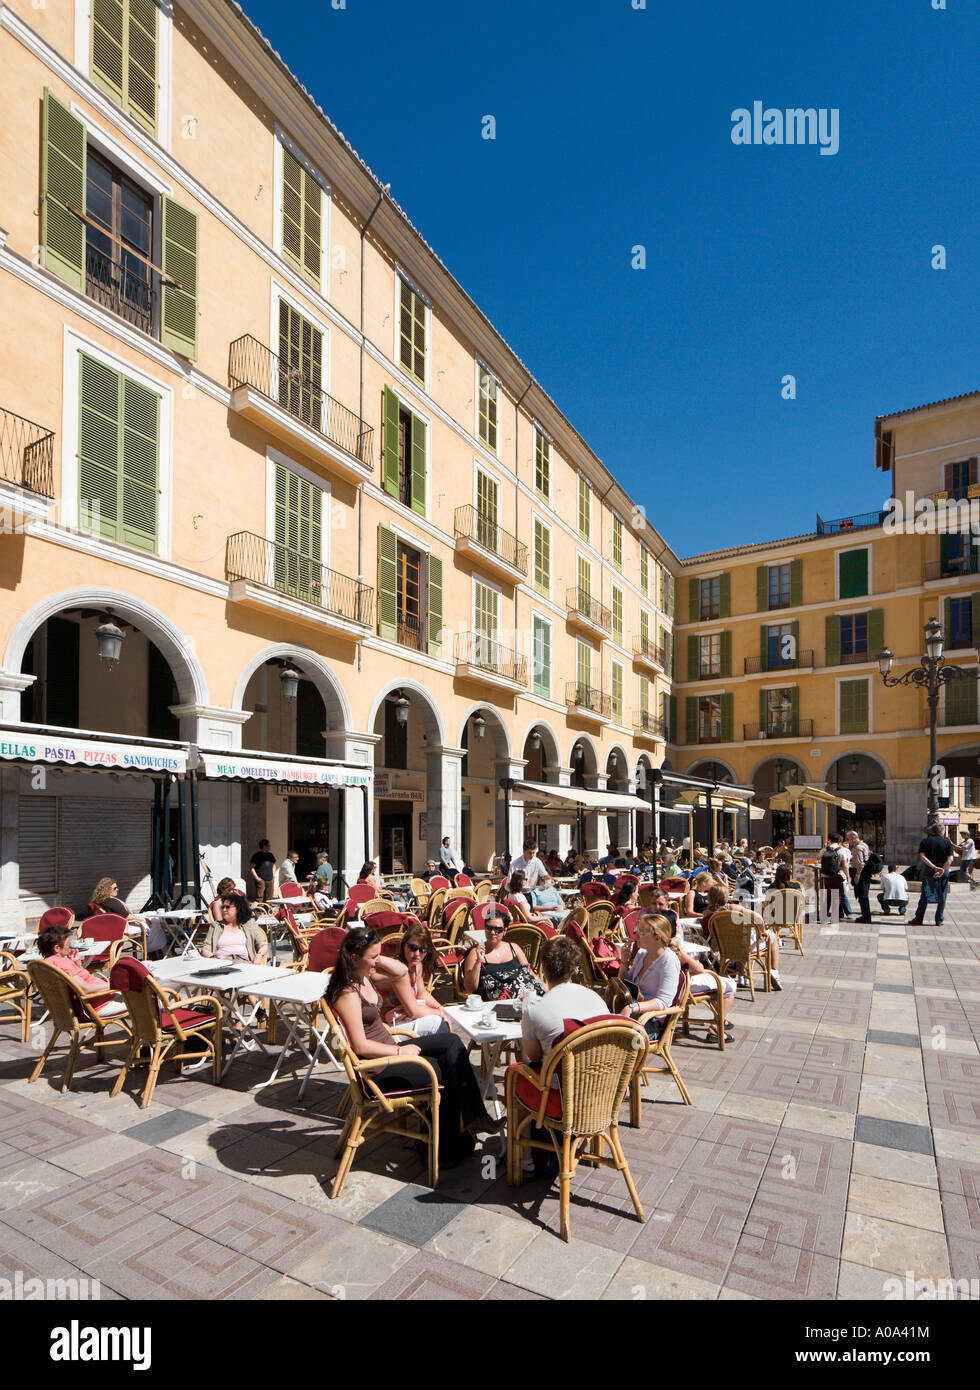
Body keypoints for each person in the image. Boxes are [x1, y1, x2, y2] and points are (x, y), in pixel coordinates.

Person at [326, 926, 501, 1160]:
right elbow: (360, 1047)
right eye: (373, 957)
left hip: (389, 1049)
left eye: (379, 956)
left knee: (451, 1043)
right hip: (379, 1068)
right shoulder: (348, 992)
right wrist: (400, 1050)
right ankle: (446, 1151)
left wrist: (375, 953)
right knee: (448, 1070)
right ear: (354, 958)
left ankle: (472, 1117)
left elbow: (400, 972)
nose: (378, 962)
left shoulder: (364, 976)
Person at [522, 935, 609, 1070]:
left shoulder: (534, 1010)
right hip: (602, 1077)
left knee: (515, 1072)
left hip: (561, 1085)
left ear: (543, 968)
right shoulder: (597, 998)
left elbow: (534, 1056)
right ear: (574, 968)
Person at [610, 913, 682, 1040]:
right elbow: (626, 983)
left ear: (657, 938)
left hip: (651, 1019)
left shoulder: (668, 960)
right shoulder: (642, 953)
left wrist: (633, 1008)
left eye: (642, 933)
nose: (636, 936)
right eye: (638, 931)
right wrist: (624, 962)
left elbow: (663, 1001)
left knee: (614, 1039)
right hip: (633, 1009)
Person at [37, 923, 127, 1017]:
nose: (70, 945)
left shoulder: (46, 964)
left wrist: (77, 965)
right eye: (68, 943)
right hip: (99, 1005)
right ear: (57, 948)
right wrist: (116, 984)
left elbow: (76, 984)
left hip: (90, 1003)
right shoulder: (63, 963)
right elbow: (85, 989)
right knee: (139, 998)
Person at [380, 924, 450, 1035]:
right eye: (412, 948)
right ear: (404, 946)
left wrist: (441, 1009)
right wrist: (439, 1013)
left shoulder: (417, 966)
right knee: (436, 1023)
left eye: (422, 950)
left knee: (442, 1022)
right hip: (388, 1025)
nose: (417, 954)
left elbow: (421, 994)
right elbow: (413, 1011)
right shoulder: (398, 971)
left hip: (404, 1019)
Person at [461, 909, 544, 1000]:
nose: (492, 932)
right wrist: (478, 962)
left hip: (519, 999)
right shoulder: (475, 953)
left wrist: (546, 988)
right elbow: (470, 989)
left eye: (498, 929)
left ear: (505, 931)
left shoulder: (514, 948)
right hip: (492, 1003)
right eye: (489, 928)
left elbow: (529, 973)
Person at [910, 820, 957, 926]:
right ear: (942, 831)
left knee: (925, 894)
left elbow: (922, 856)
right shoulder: (947, 843)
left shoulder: (925, 841)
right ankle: (939, 919)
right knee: (942, 895)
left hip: (929, 870)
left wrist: (934, 867)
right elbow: (950, 859)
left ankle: (919, 918)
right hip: (943, 870)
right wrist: (942, 870)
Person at [200, 893, 268, 965]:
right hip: (222, 963)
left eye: (227, 907)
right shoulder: (216, 926)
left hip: (245, 963)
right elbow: (205, 949)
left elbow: (263, 945)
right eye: (222, 907)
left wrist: (259, 955)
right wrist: (213, 958)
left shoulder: (250, 924)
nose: (224, 910)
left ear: (238, 908)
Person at [819, 834, 852, 921]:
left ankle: (823, 915)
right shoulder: (841, 850)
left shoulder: (825, 849)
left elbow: (818, 858)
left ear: (830, 840)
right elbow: (844, 865)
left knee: (828, 896)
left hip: (826, 876)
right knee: (837, 896)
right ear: (839, 841)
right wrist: (848, 876)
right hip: (838, 875)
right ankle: (834, 917)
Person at [846, 831, 873, 923]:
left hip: (861, 875)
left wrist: (857, 876)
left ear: (853, 837)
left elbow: (860, 864)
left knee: (862, 896)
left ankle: (866, 916)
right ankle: (866, 915)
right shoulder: (864, 845)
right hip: (866, 874)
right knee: (863, 895)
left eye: (848, 839)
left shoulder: (858, 848)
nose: (848, 841)